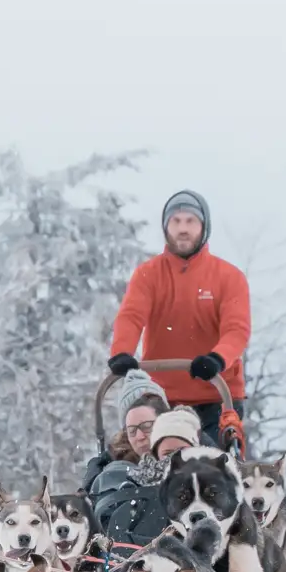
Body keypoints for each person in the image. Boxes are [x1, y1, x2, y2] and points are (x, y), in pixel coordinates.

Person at [105, 189, 249, 451]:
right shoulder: (149, 275)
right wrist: (122, 352)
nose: (183, 229)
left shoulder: (228, 277)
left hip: (216, 395)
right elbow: (131, 315)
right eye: (176, 221)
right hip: (162, 397)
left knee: (212, 462)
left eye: (190, 221)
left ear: (203, 227)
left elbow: (236, 330)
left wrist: (217, 359)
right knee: (145, 455)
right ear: (166, 227)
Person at [83, 373, 202, 548]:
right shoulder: (116, 467)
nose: (139, 437)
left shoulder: (194, 448)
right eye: (132, 430)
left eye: (147, 427)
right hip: (135, 550)